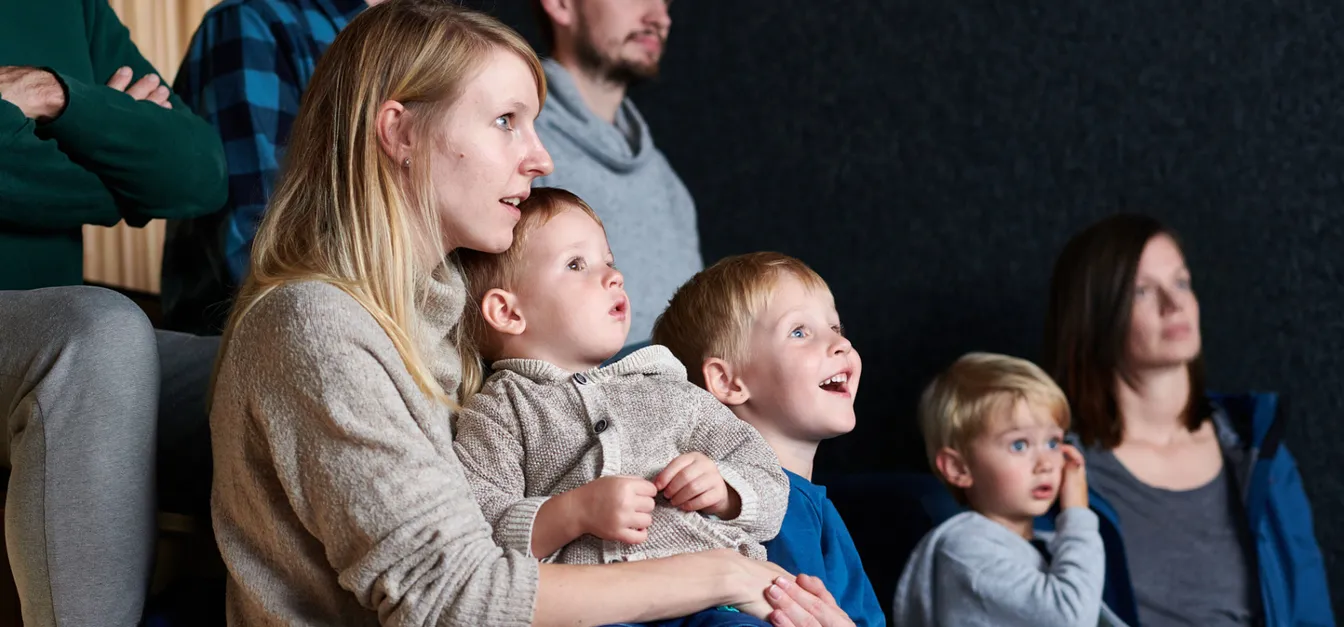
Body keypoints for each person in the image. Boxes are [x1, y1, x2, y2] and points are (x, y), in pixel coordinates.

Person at [209, 2, 853, 625]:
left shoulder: (446, 329)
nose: (540, 158)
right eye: (505, 121)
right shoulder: (316, 326)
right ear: (400, 131)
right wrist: (718, 577)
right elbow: (452, 600)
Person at [452, 188, 788, 625]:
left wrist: (726, 490)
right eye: (577, 264)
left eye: (609, 261)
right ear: (508, 312)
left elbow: (770, 480)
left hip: (714, 605)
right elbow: (481, 532)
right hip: (594, 610)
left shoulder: (671, 391)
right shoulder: (500, 411)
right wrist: (571, 514)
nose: (614, 277)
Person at [0, 0, 228, 624]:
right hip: (72, 335)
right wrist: (109, 152)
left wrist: (52, 97)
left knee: (284, 358)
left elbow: (196, 175)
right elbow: (140, 177)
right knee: (99, 331)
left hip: (58, 334)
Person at [1042, 213, 1335, 626]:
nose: (1174, 303)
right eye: (1142, 291)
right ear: (1093, 318)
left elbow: (1310, 612)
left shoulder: (1258, 453)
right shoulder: (1053, 468)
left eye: (1181, 282)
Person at [652, 252, 887, 627]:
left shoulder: (818, 511)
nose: (839, 344)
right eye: (799, 332)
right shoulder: (697, 496)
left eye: (836, 329)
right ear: (729, 382)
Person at [161, 0, 392, 334]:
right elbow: (260, 250)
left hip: (389, 326)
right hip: (261, 344)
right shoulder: (253, 20)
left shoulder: (437, 33)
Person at [892, 352, 1115, 627]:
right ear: (958, 468)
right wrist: (1077, 514)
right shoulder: (966, 549)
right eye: (1019, 445)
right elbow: (1071, 618)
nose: (1045, 463)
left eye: (1053, 442)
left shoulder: (1048, 545)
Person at [528, 0, 701, 351]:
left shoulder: (668, 185)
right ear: (561, 5)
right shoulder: (521, 152)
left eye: (666, 3)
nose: (660, 18)